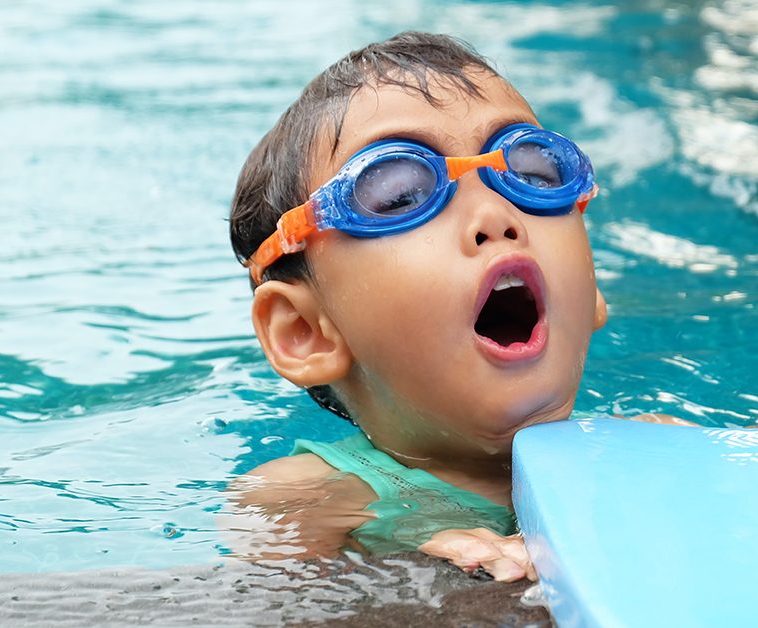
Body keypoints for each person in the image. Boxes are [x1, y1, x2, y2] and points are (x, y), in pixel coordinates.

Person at [225, 31, 685, 582]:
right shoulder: (304, 498)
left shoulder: (653, 449)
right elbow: (265, 607)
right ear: (306, 332)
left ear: (592, 291)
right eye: (400, 193)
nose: (496, 215)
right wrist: (414, 579)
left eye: (534, 173)